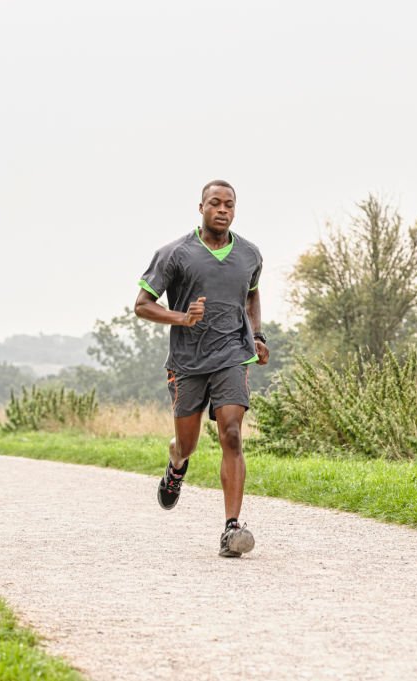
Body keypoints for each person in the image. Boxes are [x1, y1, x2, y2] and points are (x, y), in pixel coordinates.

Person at [134, 179, 269, 558]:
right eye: (215, 203)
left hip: (232, 354)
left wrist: (258, 337)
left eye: (229, 204)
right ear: (201, 208)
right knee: (188, 443)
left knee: (231, 433)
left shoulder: (250, 255)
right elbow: (142, 304)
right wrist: (182, 317)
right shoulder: (175, 253)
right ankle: (176, 466)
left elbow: (252, 293)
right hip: (188, 362)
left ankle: (231, 529)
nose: (222, 209)